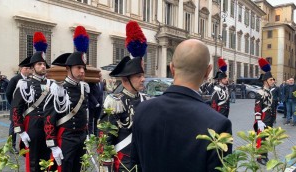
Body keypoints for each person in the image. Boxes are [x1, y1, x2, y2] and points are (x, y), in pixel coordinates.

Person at [131, 39, 232, 172]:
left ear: (172, 68)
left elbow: (135, 164)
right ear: (208, 72)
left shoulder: (142, 110)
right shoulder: (218, 124)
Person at [99, 20, 148, 172]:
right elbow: (105, 138)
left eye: (143, 75)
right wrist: (105, 167)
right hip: (123, 164)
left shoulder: (145, 100)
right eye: (139, 76)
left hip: (143, 162)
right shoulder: (114, 101)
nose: (143, 79)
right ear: (125, 79)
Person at [43, 26, 90, 172]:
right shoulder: (58, 89)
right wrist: (53, 145)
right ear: (68, 69)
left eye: (83, 67)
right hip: (66, 138)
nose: (82, 71)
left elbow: (85, 113)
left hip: (81, 137)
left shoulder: (84, 88)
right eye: (78, 67)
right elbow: (49, 118)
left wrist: (87, 135)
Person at [11, 32, 52, 172]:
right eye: (39, 64)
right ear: (33, 67)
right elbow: (16, 109)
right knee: (33, 161)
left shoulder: (51, 85)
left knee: (49, 160)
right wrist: (20, 131)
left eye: (44, 64)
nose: (43, 66)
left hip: (49, 127)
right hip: (32, 127)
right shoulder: (24, 85)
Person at [6, 58, 31, 154]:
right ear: (21, 69)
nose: (28, 70)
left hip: (26, 108)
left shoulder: (29, 80)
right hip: (16, 107)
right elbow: (8, 93)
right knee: (14, 127)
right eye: (26, 68)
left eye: (29, 68)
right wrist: (13, 104)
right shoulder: (15, 79)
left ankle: (25, 145)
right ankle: (11, 146)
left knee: (24, 126)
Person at [253, 58, 275, 165]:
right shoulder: (260, 92)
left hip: (269, 118)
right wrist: (259, 121)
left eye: (273, 79)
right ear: (265, 81)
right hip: (262, 119)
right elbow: (257, 108)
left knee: (267, 138)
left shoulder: (270, 92)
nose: (273, 81)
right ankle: (259, 158)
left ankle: (265, 156)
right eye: (271, 80)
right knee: (261, 139)